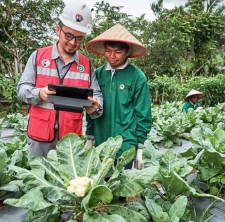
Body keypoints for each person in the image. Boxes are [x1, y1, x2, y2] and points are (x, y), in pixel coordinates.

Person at [17, 1, 103, 158]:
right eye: (68, 36)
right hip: (39, 135)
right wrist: (39, 93)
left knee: (68, 181)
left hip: (70, 140)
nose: (72, 43)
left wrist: (96, 106)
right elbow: (22, 89)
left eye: (79, 38)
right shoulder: (37, 56)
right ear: (58, 30)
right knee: (39, 179)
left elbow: (97, 95)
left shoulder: (86, 64)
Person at [85, 24, 152, 169]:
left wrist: (140, 148)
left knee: (122, 187)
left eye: (117, 52)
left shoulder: (137, 76)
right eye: (108, 51)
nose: (112, 56)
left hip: (126, 144)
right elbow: (90, 107)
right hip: (101, 143)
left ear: (127, 51)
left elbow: (143, 113)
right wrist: (90, 138)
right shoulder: (97, 74)